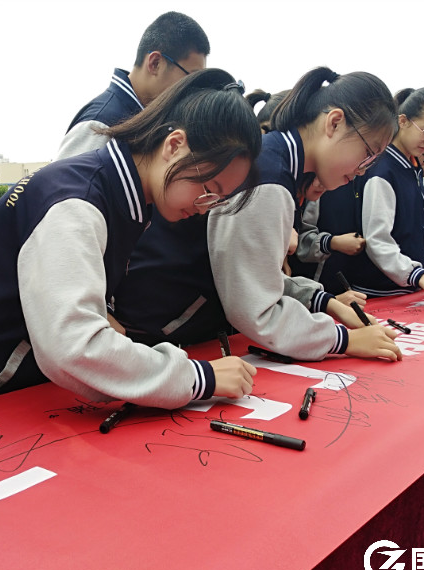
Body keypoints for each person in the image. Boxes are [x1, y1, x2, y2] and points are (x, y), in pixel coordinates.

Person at [0, 69, 263, 411]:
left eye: (218, 201)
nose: (204, 208)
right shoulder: (78, 202)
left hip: (10, 384)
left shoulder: (119, 191)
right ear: (174, 145)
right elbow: (74, 345)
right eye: (208, 189)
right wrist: (198, 377)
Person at [112, 67, 403, 362]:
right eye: (368, 154)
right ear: (335, 122)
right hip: (162, 338)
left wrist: (322, 300)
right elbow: (255, 309)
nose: (362, 171)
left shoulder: (276, 159)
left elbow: (253, 273)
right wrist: (343, 339)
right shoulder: (270, 178)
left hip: (174, 326)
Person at [343, 87, 424, 300]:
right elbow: (377, 240)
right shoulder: (382, 170)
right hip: (381, 291)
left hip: (406, 287)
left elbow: (411, 232)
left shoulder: (410, 167)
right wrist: (417, 275)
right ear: (403, 121)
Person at [55, 11, 209, 160]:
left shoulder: (147, 121)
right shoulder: (100, 125)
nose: (192, 90)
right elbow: (65, 178)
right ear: (155, 63)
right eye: (190, 77)